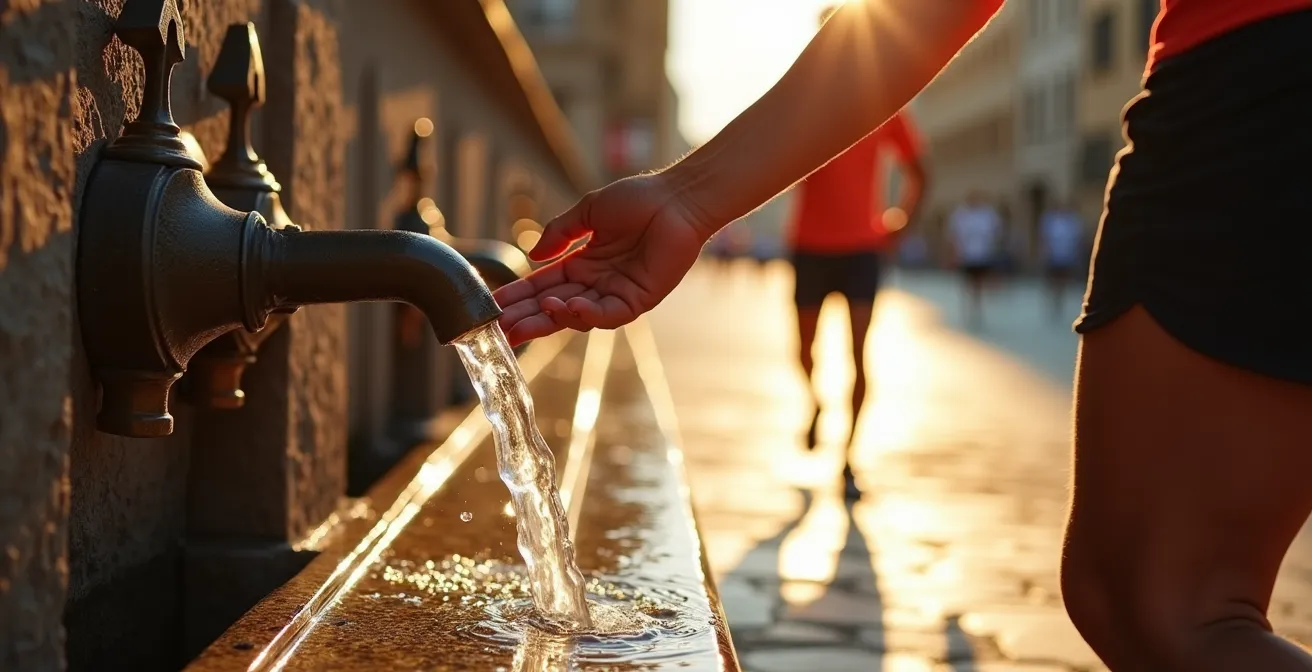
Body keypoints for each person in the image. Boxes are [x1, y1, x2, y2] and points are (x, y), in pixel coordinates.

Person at [494, 2, 1312, 668]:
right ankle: (820, 414)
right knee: (1138, 599)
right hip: (1254, 82)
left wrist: (884, 221)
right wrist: (688, 199)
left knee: (1168, 610)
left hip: (1260, 75)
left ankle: (845, 441)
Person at [784, 4, 927, 500]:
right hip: (808, 244)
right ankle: (816, 403)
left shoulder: (883, 102)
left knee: (858, 355)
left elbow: (919, 171)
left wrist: (899, 223)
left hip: (862, 248)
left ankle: (848, 459)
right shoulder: (802, 98)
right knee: (802, 352)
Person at [946, 190, 1002, 328]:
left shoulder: (988, 214)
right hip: (966, 255)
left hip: (982, 254)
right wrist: (954, 252)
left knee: (979, 282)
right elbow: (953, 235)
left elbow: (996, 232)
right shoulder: (960, 214)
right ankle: (968, 307)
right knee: (968, 282)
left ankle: (977, 308)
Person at [1037, 199, 1085, 320]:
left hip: (1066, 255)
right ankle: (1052, 300)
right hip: (1053, 255)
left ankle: (1060, 301)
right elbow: (1044, 237)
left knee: (1063, 279)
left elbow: (1077, 238)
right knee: (1052, 280)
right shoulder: (1049, 219)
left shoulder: (1071, 220)